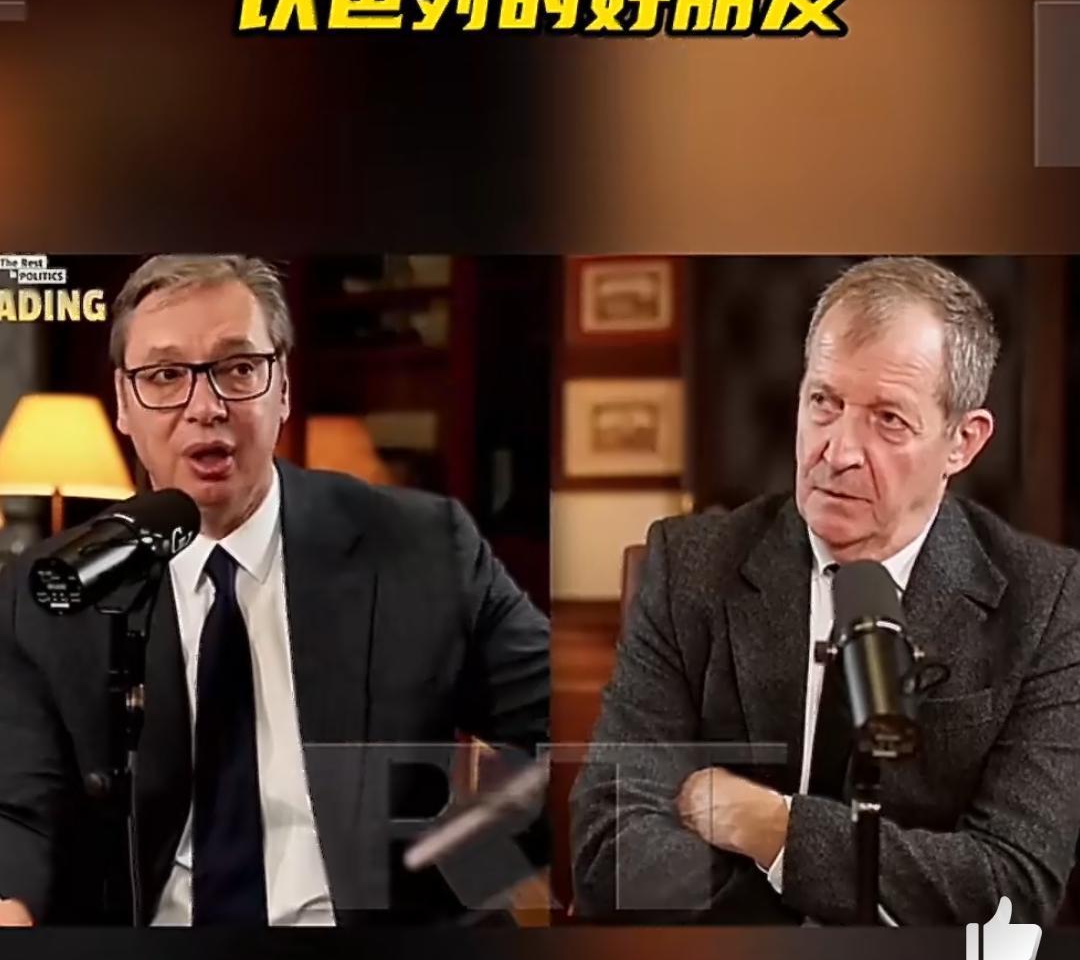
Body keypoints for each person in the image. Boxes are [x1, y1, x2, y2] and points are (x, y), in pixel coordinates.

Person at [0, 254, 549, 926]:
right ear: (123, 401)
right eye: (166, 376)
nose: (206, 407)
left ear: (282, 386)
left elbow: (565, 744)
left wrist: (457, 882)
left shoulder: (423, 548)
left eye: (238, 368)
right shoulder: (54, 588)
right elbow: (17, 808)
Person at [571, 257, 1080, 926]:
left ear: (962, 441)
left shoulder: (1047, 602)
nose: (838, 452)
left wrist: (774, 829)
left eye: (888, 420)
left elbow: (1011, 886)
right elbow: (609, 849)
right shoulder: (690, 568)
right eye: (824, 403)